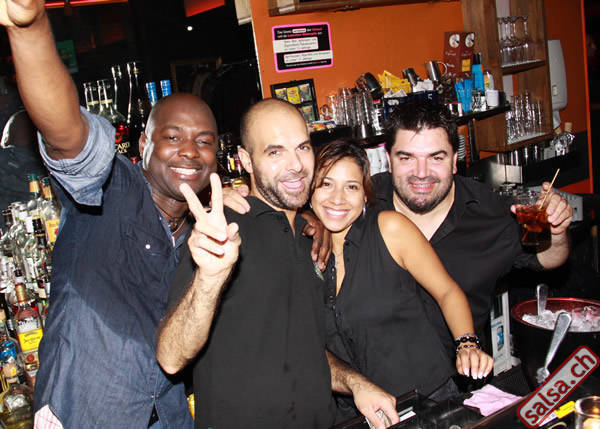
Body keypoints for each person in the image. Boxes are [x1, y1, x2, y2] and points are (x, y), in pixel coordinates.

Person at [0, 1, 226, 427]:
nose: (190, 152)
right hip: (85, 413)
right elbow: (66, 132)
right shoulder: (109, 187)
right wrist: (30, 28)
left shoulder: (209, 229)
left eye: (204, 141)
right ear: (144, 145)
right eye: (173, 137)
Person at [157, 98, 400, 429]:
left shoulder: (309, 237)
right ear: (246, 160)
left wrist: (356, 384)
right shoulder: (223, 231)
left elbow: (305, 352)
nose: (296, 165)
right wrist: (209, 279)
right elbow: (171, 357)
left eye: (302, 148)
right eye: (275, 152)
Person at [373, 98, 573, 359]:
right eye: (407, 157)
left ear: (454, 161)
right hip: (376, 377)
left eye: (436, 157)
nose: (421, 173)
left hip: (463, 373)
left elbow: (548, 259)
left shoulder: (490, 211)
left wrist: (556, 232)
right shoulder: (362, 205)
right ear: (389, 161)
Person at [309, 139, 493, 421]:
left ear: (365, 195)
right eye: (326, 184)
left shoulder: (390, 229)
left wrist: (467, 343)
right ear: (309, 190)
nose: (337, 198)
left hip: (427, 401)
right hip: (358, 415)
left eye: (351, 187)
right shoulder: (303, 254)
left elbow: (447, 291)